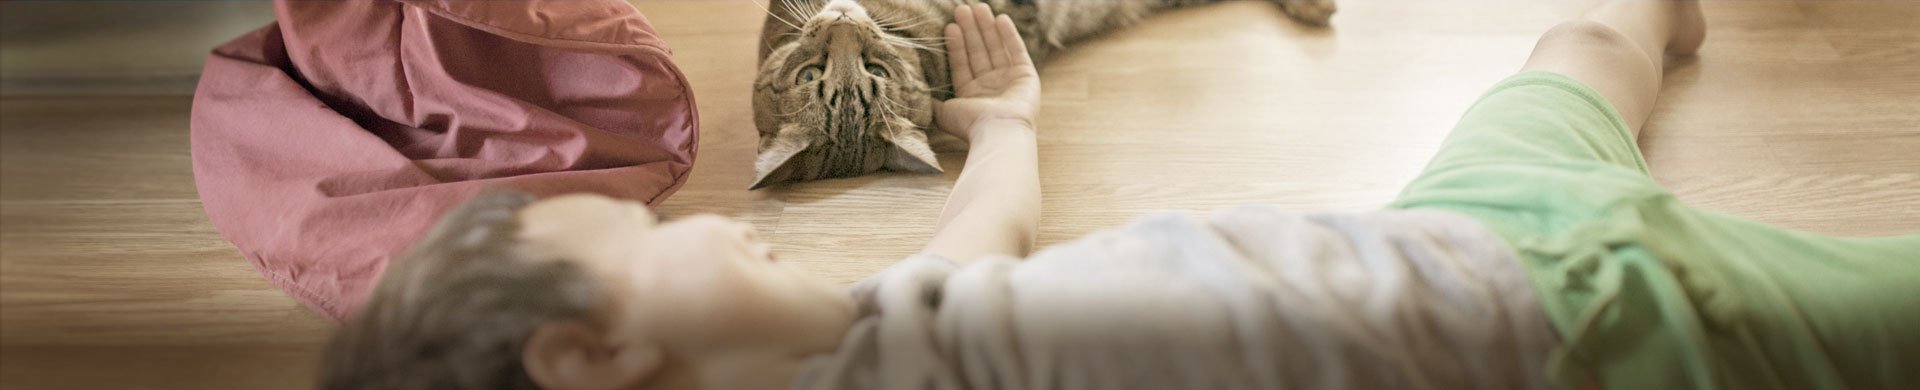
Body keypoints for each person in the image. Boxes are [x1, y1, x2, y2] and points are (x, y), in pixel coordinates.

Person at [319, 1, 1919, 389]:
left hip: (1437, 232)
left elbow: (976, 241)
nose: (703, 215)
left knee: (1572, 61)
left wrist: (1006, 122)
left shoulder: (868, 332)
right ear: (584, 355)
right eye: (643, 239)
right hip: (1564, 320)